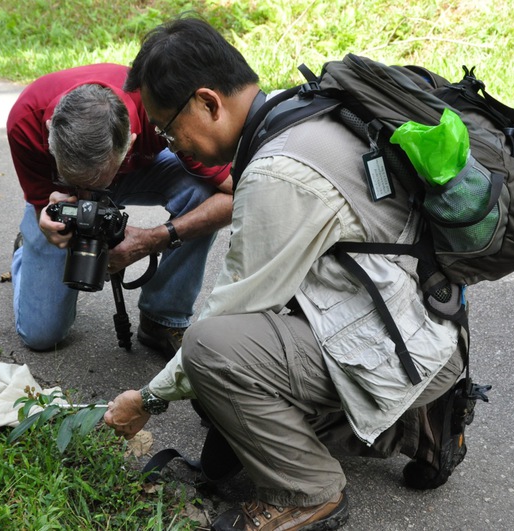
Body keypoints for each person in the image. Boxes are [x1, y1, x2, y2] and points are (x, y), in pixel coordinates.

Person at [104, 17, 469, 530]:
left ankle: (309, 494)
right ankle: (421, 422)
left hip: (400, 348)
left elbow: (231, 313)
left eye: (168, 127)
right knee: (217, 414)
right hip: (428, 323)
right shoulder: (302, 112)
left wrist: (144, 400)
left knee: (210, 349)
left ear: (209, 103)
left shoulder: (280, 172)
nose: (169, 144)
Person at [7, 63, 232, 356]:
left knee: (205, 191)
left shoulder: (160, 107)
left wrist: (154, 238)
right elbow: (42, 205)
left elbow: (242, 192)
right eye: (78, 183)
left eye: (96, 185)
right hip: (62, 197)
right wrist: (46, 225)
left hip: (136, 170)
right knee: (41, 335)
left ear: (131, 143)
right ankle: (26, 251)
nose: (90, 196)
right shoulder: (26, 120)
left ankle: (162, 318)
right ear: (49, 134)